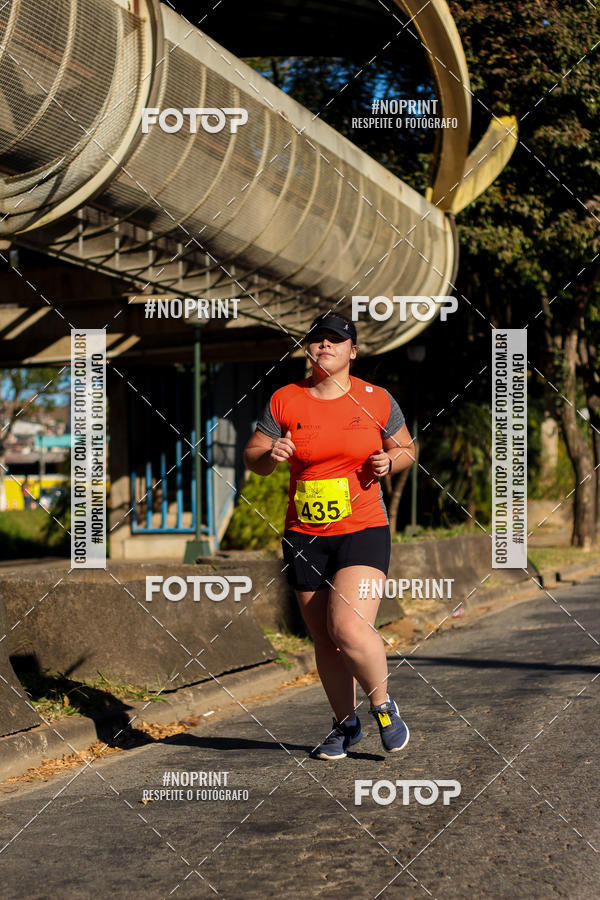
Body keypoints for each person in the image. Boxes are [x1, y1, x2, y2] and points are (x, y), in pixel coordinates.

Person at [243, 312, 415, 760]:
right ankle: (345, 724)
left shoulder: (376, 400)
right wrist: (271, 453)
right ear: (308, 349)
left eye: (336, 341)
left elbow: (407, 448)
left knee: (348, 626)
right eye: (317, 340)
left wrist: (388, 463)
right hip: (304, 533)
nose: (325, 346)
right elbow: (254, 456)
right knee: (323, 636)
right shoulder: (285, 399)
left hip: (362, 527)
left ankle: (383, 707)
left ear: (352, 351)